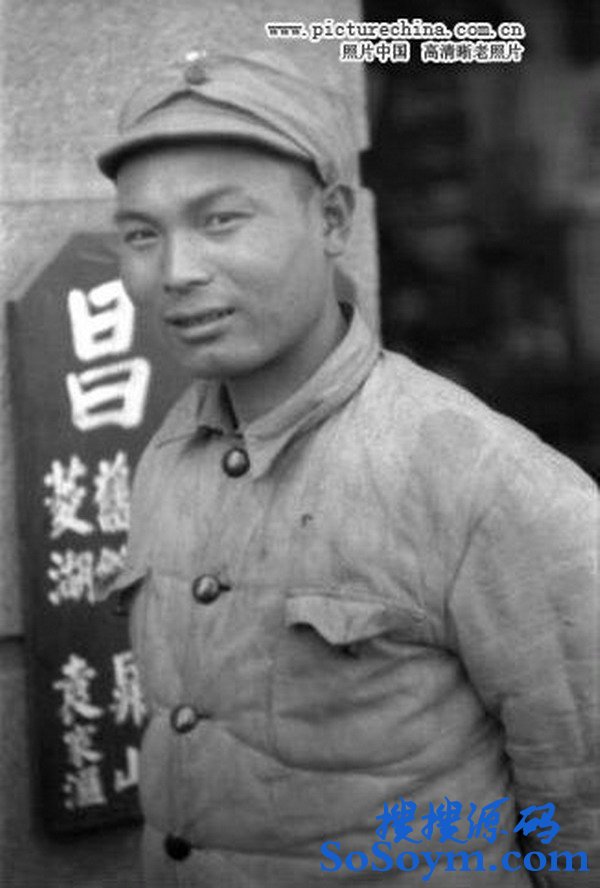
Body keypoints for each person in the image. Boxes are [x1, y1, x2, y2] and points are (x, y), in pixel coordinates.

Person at [95, 49, 599, 887]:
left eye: (221, 221)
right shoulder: (169, 455)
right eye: (142, 235)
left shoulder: (484, 479)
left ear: (332, 220)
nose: (176, 272)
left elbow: (583, 806)